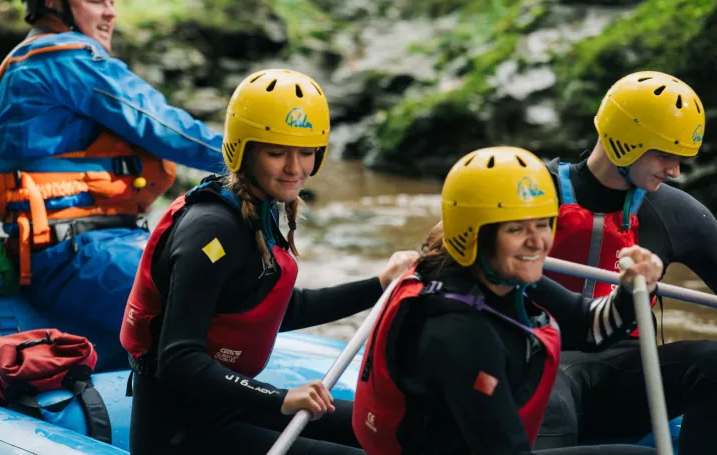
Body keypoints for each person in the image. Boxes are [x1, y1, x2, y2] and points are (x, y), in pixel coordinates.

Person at [120, 68, 418, 455]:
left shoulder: (258, 210)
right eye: (277, 153)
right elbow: (177, 359)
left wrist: (380, 284)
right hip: (184, 433)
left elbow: (275, 309)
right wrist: (277, 398)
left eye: (306, 152)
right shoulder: (210, 231)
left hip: (232, 408)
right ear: (243, 151)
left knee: (407, 431)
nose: (295, 168)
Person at [0, 0, 225, 370]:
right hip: (80, 252)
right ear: (54, 6)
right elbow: (160, 123)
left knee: (213, 271)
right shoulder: (66, 61)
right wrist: (246, 158)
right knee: (208, 310)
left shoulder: (29, 61)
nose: (111, 13)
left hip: (71, 247)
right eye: (96, 1)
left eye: (112, 1)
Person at [352, 146, 659, 455]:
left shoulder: (498, 277)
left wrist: (632, 288)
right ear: (475, 234)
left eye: (543, 223)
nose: (537, 241)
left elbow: (590, 328)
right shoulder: (461, 333)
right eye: (516, 229)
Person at [536, 71, 717, 452]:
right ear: (628, 142)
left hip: (626, 375)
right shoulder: (532, 192)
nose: (675, 171)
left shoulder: (675, 212)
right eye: (665, 155)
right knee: (550, 401)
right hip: (535, 361)